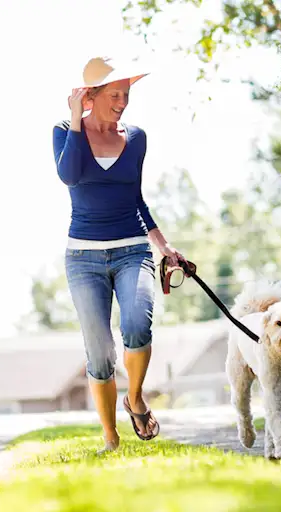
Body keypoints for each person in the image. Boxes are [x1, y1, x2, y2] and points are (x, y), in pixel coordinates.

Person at [52, 56, 186, 453]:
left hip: (132, 250)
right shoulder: (64, 132)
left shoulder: (137, 137)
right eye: (114, 94)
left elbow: (135, 198)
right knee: (99, 351)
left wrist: (163, 245)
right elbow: (70, 176)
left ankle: (136, 398)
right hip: (83, 258)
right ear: (90, 96)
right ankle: (111, 437)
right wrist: (77, 119)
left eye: (126, 93)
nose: (123, 101)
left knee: (136, 325)